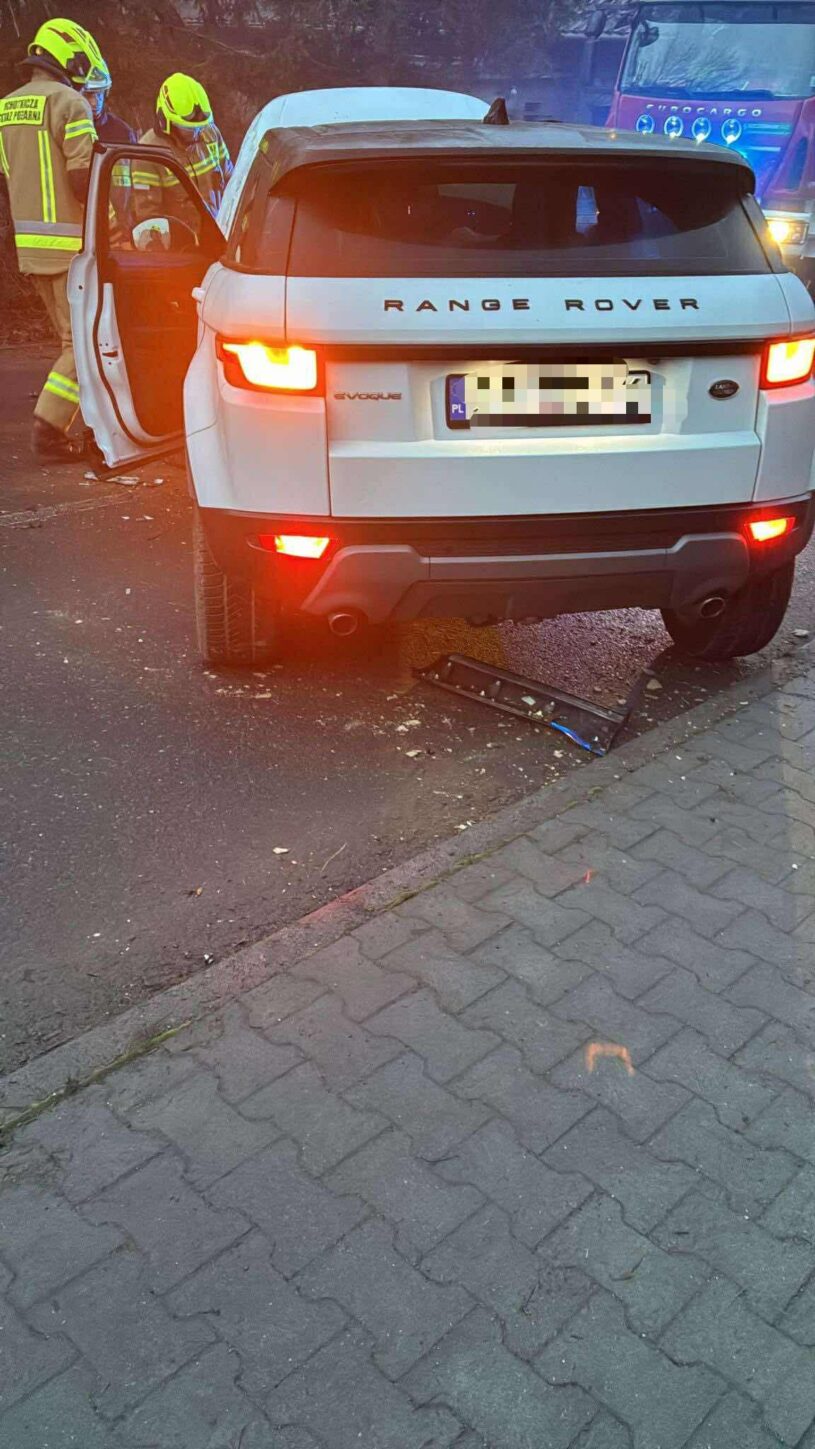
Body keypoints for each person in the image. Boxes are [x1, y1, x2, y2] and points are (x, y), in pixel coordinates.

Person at [0, 18, 103, 460]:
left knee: (69, 341)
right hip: (70, 250)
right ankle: (49, 428)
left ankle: (81, 428)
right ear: (70, 60)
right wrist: (112, 222)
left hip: (31, 247)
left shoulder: (6, 107)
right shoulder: (70, 102)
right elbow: (84, 179)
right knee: (81, 346)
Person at [135, 73, 232, 221]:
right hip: (181, 235)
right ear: (166, 120)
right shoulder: (148, 154)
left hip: (219, 230)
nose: (196, 132)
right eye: (188, 128)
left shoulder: (211, 133)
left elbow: (231, 181)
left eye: (200, 127)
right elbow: (149, 217)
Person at [82, 58, 136, 145]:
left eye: (99, 93)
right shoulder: (63, 128)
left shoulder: (123, 134)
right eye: (89, 95)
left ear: (106, 93)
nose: (94, 103)